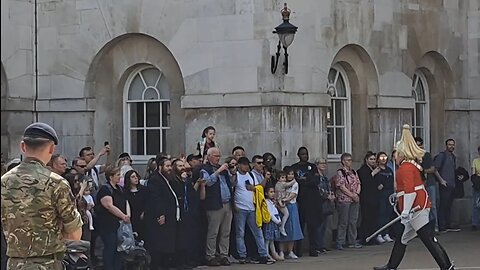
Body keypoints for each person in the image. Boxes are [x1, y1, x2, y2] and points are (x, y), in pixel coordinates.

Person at [1, 122, 83, 270]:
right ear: (52, 148)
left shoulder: (4, 182)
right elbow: (75, 235)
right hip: (48, 263)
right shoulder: (56, 183)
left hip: (14, 263)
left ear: (23, 147)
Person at [373, 124, 455, 270]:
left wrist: (405, 210)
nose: (395, 157)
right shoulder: (411, 166)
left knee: (429, 240)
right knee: (402, 238)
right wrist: (397, 195)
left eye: (397, 153)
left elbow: (411, 190)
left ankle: (447, 267)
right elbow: (408, 189)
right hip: (414, 207)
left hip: (416, 208)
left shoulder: (405, 168)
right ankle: (391, 266)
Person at [200, 148, 234, 266]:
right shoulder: (205, 169)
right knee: (213, 232)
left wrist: (231, 171)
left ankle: (223, 254)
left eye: (219, 156)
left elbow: (232, 182)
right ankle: (210, 255)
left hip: (227, 203)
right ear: (209, 156)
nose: (218, 158)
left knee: (226, 231)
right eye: (215, 156)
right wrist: (218, 171)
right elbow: (207, 182)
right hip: (214, 205)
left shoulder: (224, 169)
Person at [144, 157, 180, 270]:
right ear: (160, 167)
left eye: (170, 166)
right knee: (160, 244)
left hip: (170, 215)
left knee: (167, 243)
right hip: (160, 216)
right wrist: (161, 214)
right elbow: (156, 199)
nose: (170, 168)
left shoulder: (167, 179)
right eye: (167, 166)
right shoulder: (155, 179)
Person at [96, 165, 130, 270]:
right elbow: (109, 206)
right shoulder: (105, 189)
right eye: (117, 175)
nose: (120, 177)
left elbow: (126, 202)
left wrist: (128, 215)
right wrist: (122, 215)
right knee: (110, 247)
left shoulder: (120, 188)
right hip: (107, 224)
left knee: (119, 248)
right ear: (111, 177)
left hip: (119, 225)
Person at [291, 147, 316, 256]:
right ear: (298, 155)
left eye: (306, 154)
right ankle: (298, 249)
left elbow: (314, 181)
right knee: (299, 225)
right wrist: (304, 180)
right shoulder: (294, 167)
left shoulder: (313, 167)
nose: (305, 156)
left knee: (312, 226)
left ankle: (313, 249)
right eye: (302, 154)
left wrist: (305, 180)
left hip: (311, 200)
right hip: (299, 200)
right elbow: (294, 181)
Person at [334, 153, 362, 250]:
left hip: (354, 199)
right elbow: (341, 186)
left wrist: (357, 194)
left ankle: (352, 241)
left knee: (353, 221)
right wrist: (351, 195)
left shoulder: (353, 172)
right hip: (345, 199)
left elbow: (358, 182)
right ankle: (340, 241)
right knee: (343, 221)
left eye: (351, 160)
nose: (350, 162)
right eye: (348, 160)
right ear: (343, 161)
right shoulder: (340, 173)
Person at [277, 167, 304, 260]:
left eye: (292, 174)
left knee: (292, 229)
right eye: (288, 174)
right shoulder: (281, 183)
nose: (290, 176)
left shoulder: (295, 183)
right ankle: (281, 251)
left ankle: (290, 251)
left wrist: (285, 200)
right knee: (283, 228)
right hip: (282, 207)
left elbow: (293, 194)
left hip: (291, 206)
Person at [434, 139, 459, 232]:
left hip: (451, 184)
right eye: (449, 145)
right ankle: (442, 225)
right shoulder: (442, 156)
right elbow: (435, 169)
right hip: (444, 184)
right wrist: (441, 180)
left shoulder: (453, 156)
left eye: (453, 145)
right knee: (443, 205)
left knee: (449, 205)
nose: (451, 146)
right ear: (446, 145)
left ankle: (447, 224)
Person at [415, 137, 438, 232]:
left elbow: (433, 169)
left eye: (420, 145)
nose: (419, 147)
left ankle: (435, 226)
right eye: (417, 145)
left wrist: (422, 171)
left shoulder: (427, 155)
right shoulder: (412, 156)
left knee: (432, 206)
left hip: (429, 183)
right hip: (418, 184)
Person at [358, 151, 380, 245]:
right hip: (366, 197)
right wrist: (373, 174)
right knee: (366, 218)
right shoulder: (363, 170)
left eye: (374, 159)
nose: (373, 161)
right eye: (371, 159)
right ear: (366, 160)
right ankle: (365, 237)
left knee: (373, 218)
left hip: (374, 196)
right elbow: (365, 182)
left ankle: (373, 236)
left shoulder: (374, 169)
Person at [374, 152, 395, 243]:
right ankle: (379, 233)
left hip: (389, 193)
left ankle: (386, 233)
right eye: (381, 157)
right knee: (381, 213)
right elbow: (373, 181)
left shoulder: (389, 170)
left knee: (388, 213)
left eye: (385, 157)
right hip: (381, 194)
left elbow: (391, 181)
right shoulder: (377, 170)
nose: (383, 159)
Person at [124, 169, 147, 241]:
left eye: (136, 176)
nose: (136, 178)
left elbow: (148, 202)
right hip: (131, 217)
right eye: (133, 177)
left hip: (142, 217)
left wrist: (144, 212)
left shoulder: (144, 190)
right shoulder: (124, 191)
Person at [263, 186, 282, 261]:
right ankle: (266, 253)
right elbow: (270, 214)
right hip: (270, 221)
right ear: (266, 193)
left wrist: (279, 219)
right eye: (271, 192)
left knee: (272, 239)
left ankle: (274, 253)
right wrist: (277, 221)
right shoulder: (266, 202)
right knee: (267, 239)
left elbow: (275, 211)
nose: (273, 193)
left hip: (275, 221)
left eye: (273, 192)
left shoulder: (272, 202)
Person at [274, 171, 295, 236]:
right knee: (286, 214)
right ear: (278, 178)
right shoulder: (281, 184)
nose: (284, 179)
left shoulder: (277, 184)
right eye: (282, 177)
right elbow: (289, 184)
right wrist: (295, 179)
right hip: (280, 200)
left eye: (285, 177)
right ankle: (282, 227)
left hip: (278, 200)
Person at [472, 146, 480, 231]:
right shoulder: (475, 161)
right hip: (477, 185)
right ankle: (475, 223)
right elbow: (474, 173)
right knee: (476, 205)